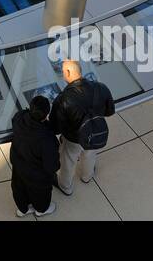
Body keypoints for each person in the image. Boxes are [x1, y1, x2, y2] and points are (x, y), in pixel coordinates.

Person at [48, 59, 115, 194]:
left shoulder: (62, 99)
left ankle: (65, 186)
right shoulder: (101, 87)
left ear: (68, 72)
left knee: (68, 161)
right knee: (90, 154)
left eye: (63, 72)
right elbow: (110, 111)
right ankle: (87, 176)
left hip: (73, 138)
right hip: (95, 132)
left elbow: (55, 128)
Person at [9, 94, 60, 217]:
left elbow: (18, 117)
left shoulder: (19, 118)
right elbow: (51, 165)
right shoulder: (47, 139)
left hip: (19, 165)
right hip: (37, 174)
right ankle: (41, 210)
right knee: (40, 192)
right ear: (46, 115)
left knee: (19, 188)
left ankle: (23, 209)